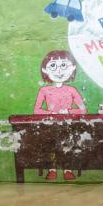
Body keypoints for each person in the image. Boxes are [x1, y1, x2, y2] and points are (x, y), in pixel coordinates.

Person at [34, 50, 87, 181]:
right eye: (53, 66)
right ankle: (52, 169)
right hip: (50, 125)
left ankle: (67, 170)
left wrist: (68, 112)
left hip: (68, 126)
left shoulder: (71, 90)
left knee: (68, 144)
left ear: (72, 68)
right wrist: (51, 113)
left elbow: (82, 110)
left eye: (63, 65)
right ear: (45, 70)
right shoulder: (44, 90)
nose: (58, 70)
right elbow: (37, 110)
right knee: (50, 144)